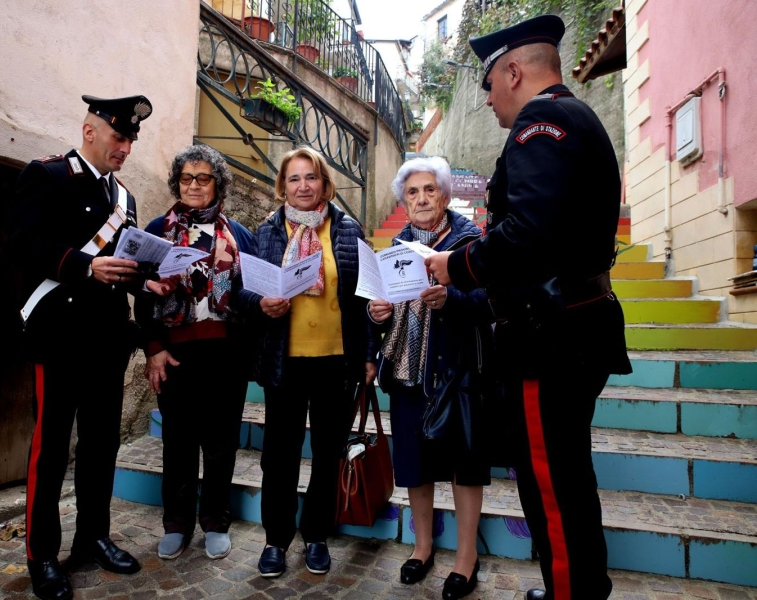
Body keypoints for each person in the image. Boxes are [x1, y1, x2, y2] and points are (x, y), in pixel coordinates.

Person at [425, 15, 632, 600]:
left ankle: (571, 593)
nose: (488, 99)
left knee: (550, 481)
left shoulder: (542, 122)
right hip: (572, 326)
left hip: (551, 337)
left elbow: (528, 232)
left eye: (490, 85)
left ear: (514, 71)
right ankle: (581, 587)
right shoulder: (576, 117)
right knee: (566, 477)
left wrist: (454, 265)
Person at [10, 94, 155, 600]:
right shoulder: (48, 176)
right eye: (120, 138)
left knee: (101, 447)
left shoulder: (126, 200)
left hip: (107, 342)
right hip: (60, 337)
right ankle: (42, 555)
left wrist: (150, 281)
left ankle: (93, 537)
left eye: (131, 141)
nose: (126, 149)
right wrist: (82, 265)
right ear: (90, 131)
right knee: (50, 452)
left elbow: (122, 267)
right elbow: (24, 245)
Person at [242, 146, 378, 578]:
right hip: (285, 361)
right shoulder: (267, 231)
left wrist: (370, 355)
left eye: (311, 178)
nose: (303, 186)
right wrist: (262, 303)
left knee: (326, 453)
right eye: (294, 179)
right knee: (278, 455)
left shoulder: (348, 229)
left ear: (324, 183)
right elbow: (245, 291)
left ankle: (316, 535)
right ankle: (275, 540)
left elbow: (367, 295)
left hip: (337, 362)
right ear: (283, 185)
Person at [368, 157, 492, 600]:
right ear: (403, 200)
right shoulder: (395, 244)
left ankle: (465, 558)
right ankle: (422, 547)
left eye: (429, 190)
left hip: (456, 372)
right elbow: (379, 309)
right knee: (416, 466)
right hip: (405, 373)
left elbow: (489, 304)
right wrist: (375, 313)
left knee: (463, 466)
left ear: (445, 195)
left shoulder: (471, 241)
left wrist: (450, 300)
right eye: (413, 192)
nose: (421, 199)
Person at [134, 145, 255, 562]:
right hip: (176, 355)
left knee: (221, 445)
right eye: (187, 178)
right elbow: (141, 296)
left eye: (203, 178)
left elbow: (252, 294)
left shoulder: (239, 235)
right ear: (177, 183)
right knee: (178, 442)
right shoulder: (155, 230)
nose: (194, 185)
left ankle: (216, 522)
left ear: (217, 184)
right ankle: (177, 524)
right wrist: (153, 349)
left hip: (226, 355)